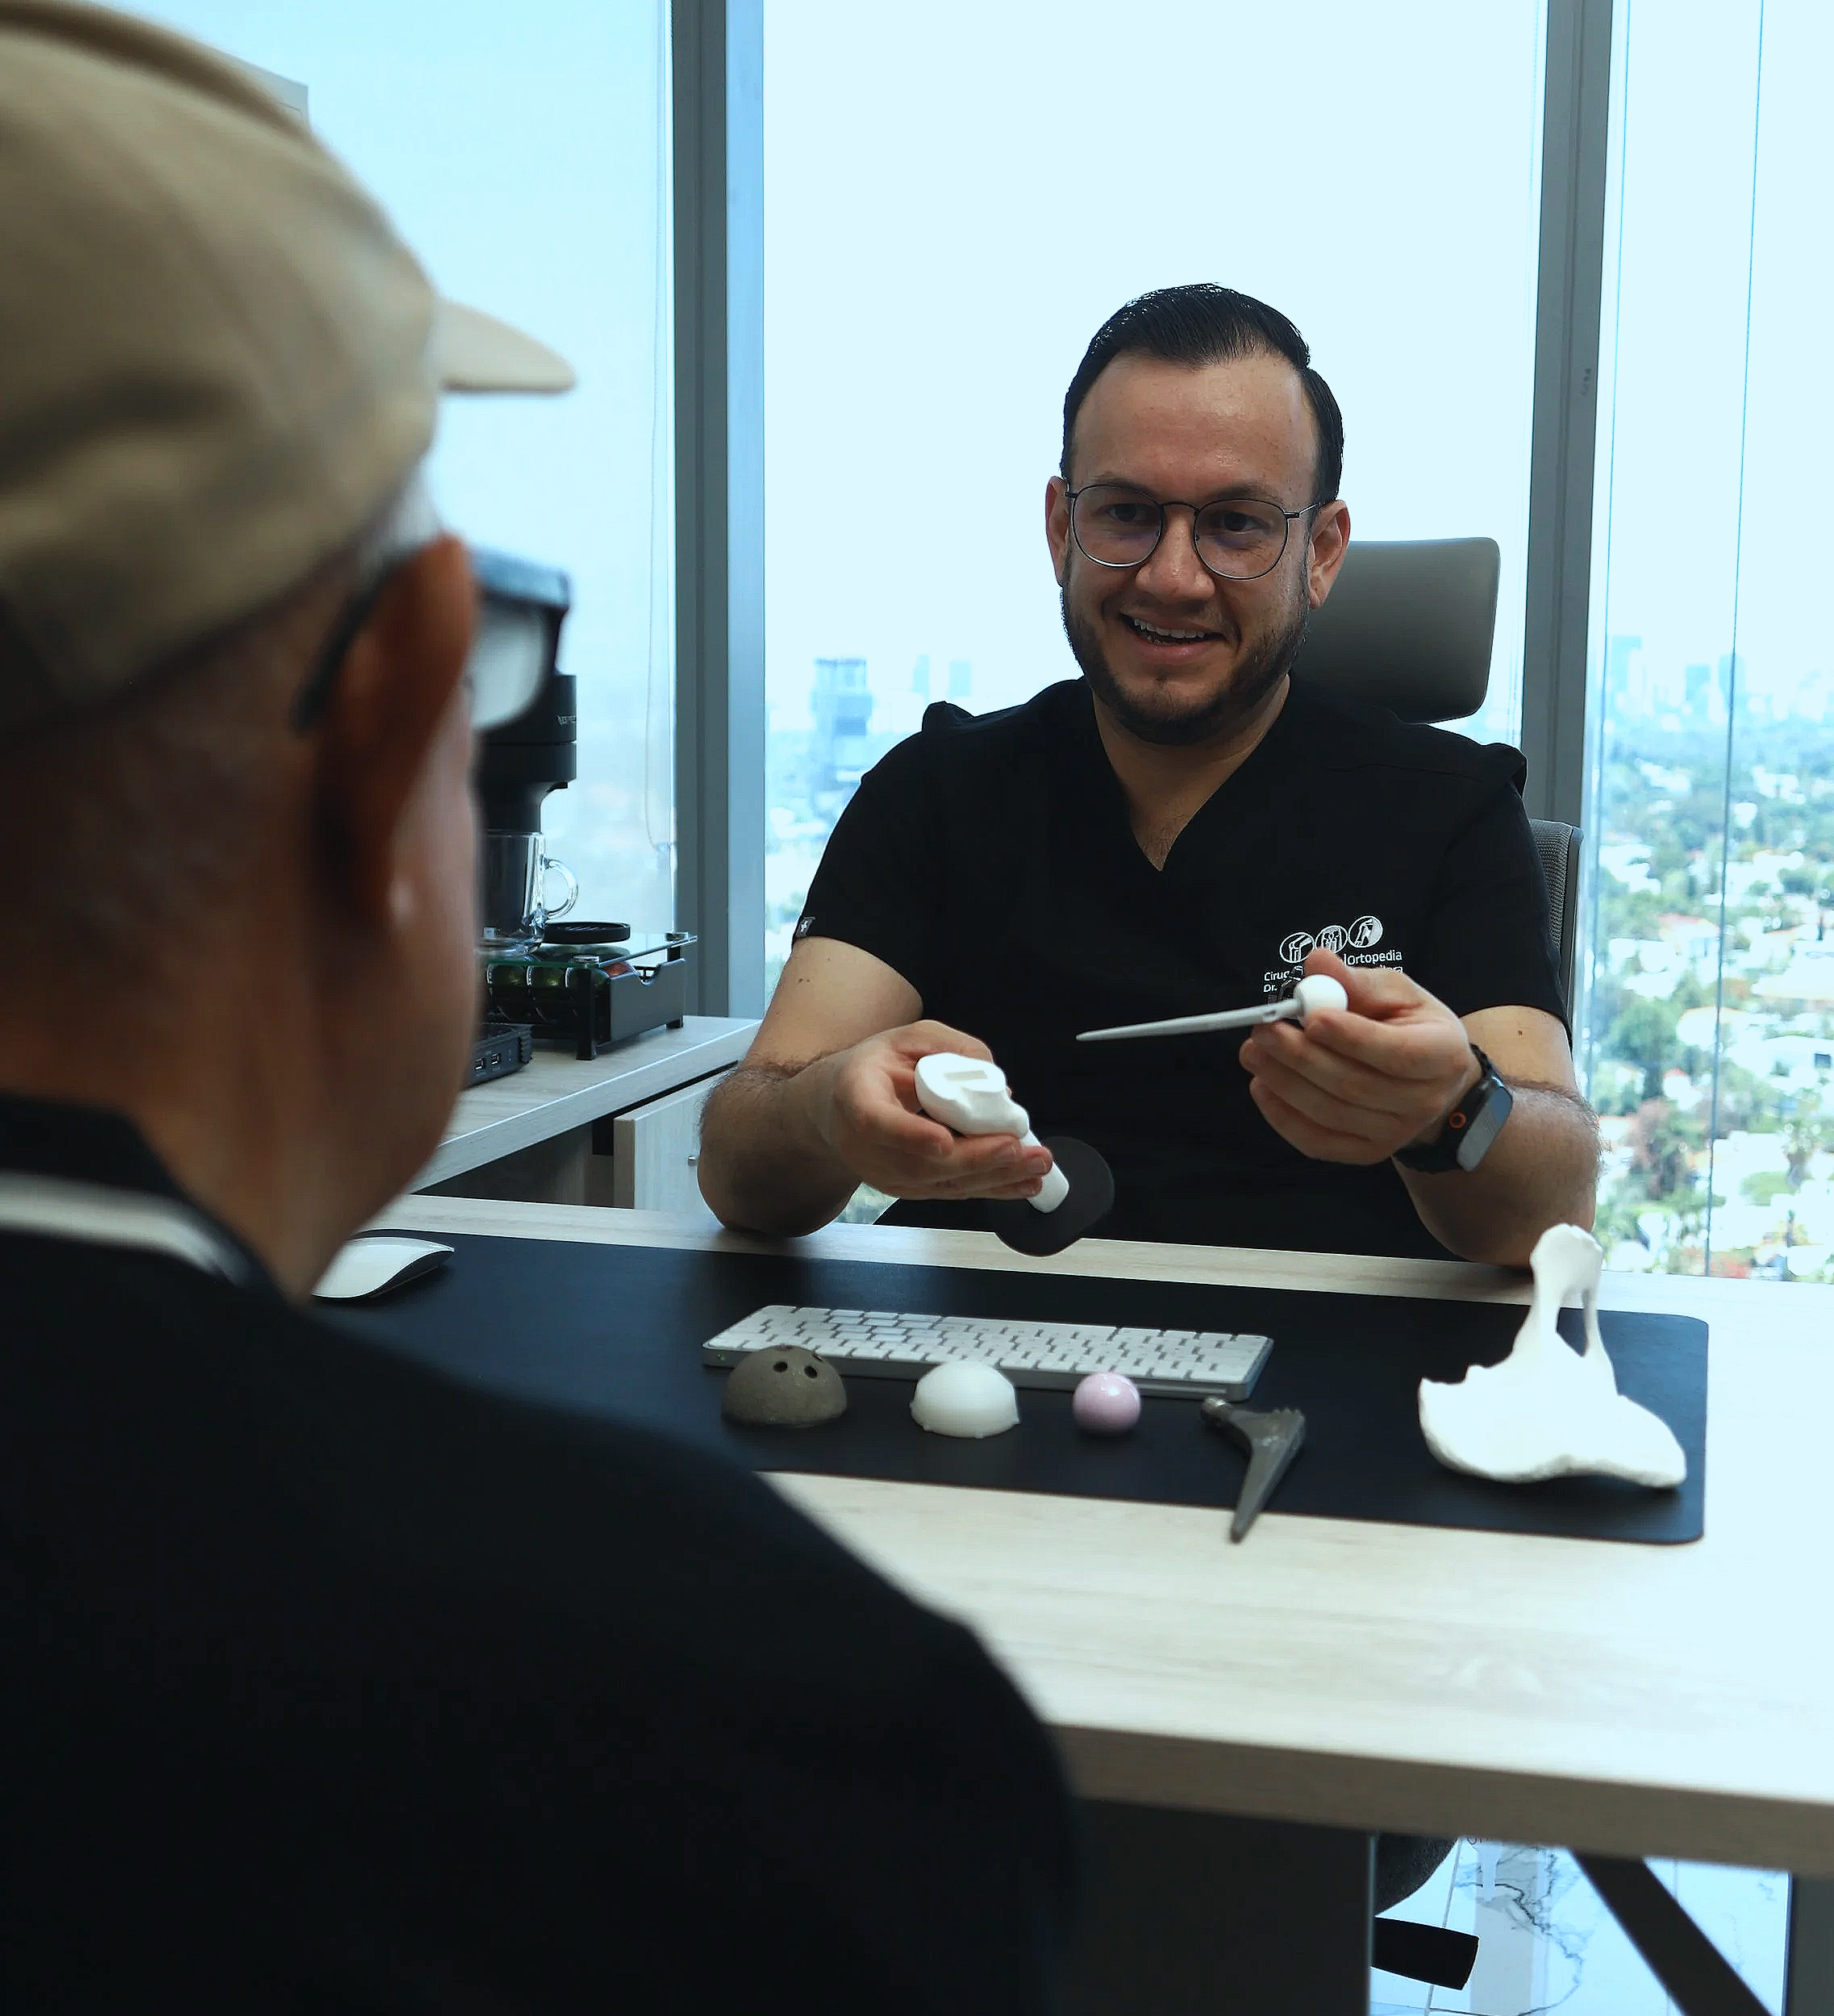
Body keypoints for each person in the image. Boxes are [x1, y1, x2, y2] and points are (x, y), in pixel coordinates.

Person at [0, 7, 1073, 2011]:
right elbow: (757, 1140)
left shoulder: (1433, 805)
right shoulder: (762, 1736)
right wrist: (834, 1105)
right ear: (412, 709)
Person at [700, 284, 1598, 1264]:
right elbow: (743, 1166)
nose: (1173, 575)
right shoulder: (936, 794)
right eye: (1125, 513)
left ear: (1321, 552)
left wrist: (1452, 1109)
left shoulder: (1448, 809)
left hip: (1324, 1368)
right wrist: (826, 1111)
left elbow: (1551, 1212)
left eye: (1237, 524)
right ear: (1060, 528)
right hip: (972, 1369)